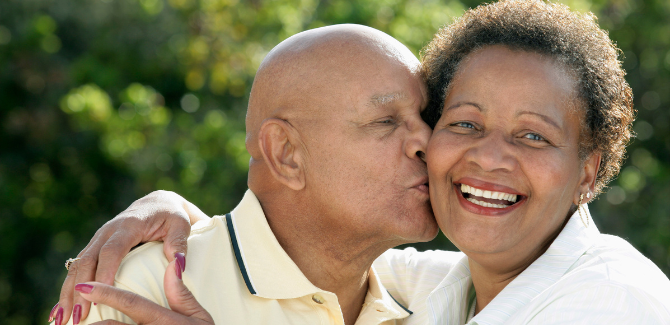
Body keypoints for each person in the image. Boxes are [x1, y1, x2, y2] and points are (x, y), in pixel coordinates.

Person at [57, 0, 670, 324]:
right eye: (461, 123)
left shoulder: (611, 304)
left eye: (533, 136)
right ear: (285, 154)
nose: (428, 146)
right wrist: (171, 214)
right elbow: (281, 246)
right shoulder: (414, 292)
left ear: (589, 171)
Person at [52, 23, 438, 325]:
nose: (427, 141)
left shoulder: (438, 298)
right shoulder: (140, 290)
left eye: (426, 118)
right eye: (386, 121)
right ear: (286, 154)